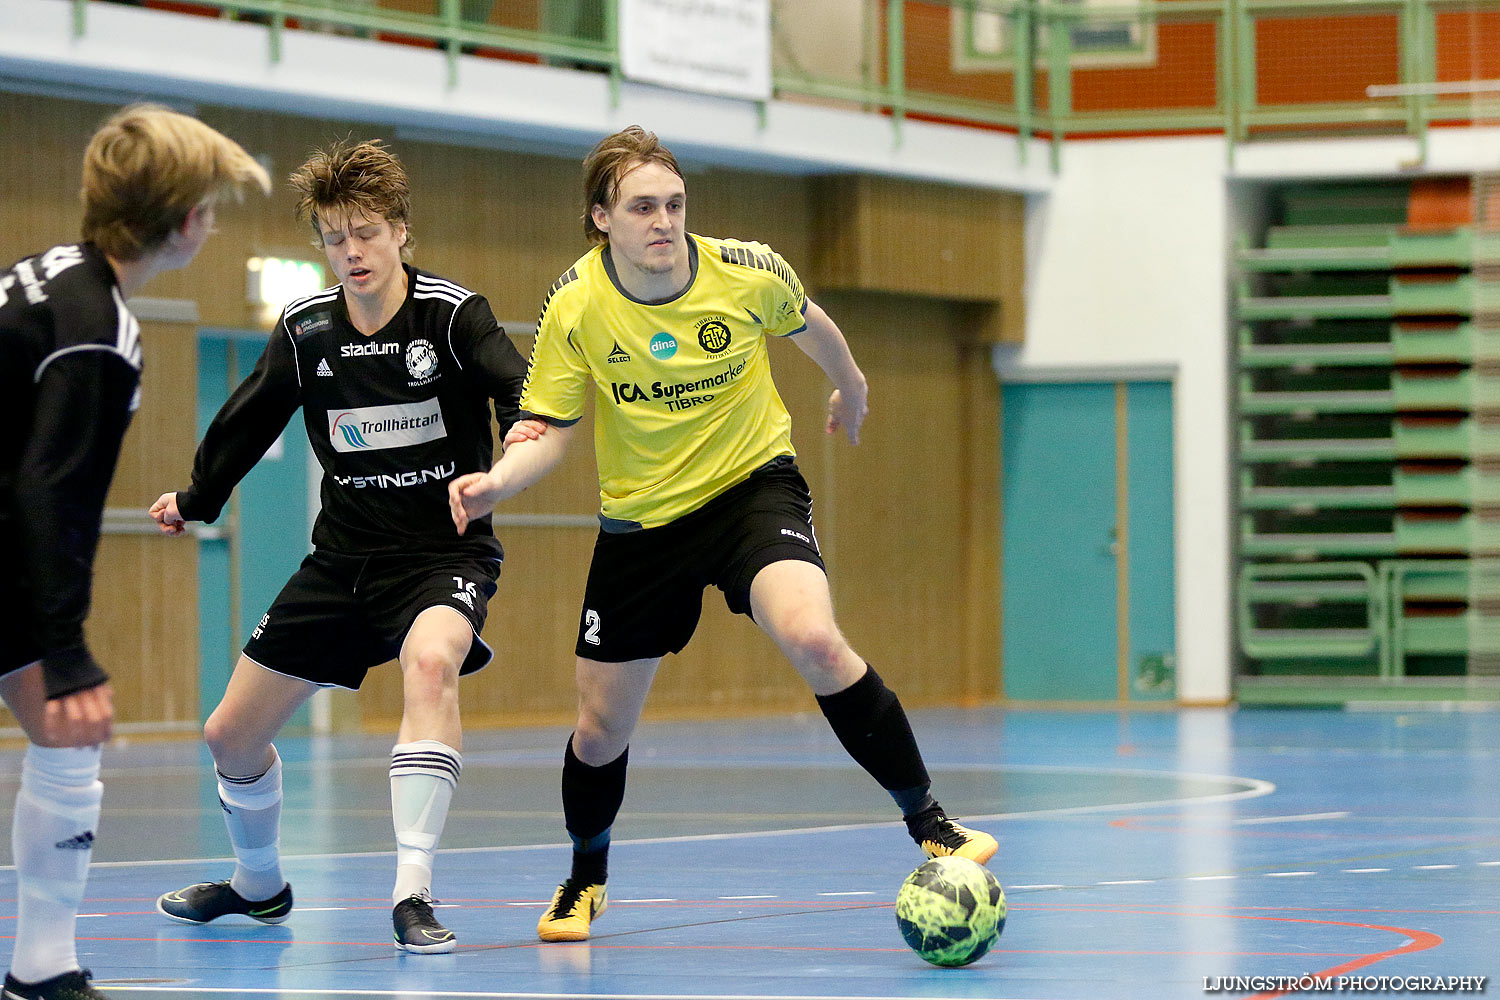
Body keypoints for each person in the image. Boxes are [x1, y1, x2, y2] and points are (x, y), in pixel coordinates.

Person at [449, 125, 998, 944]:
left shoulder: (744, 270)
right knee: (600, 728)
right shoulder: (575, 306)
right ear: (602, 217)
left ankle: (931, 821)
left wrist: (849, 385)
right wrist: (497, 481)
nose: (663, 221)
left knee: (814, 636)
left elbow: (810, 324)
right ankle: (585, 876)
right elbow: (551, 428)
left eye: (674, 204)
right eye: (642, 207)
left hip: (752, 488)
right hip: (642, 524)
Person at [148, 138, 533, 954]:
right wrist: (197, 500)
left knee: (431, 664)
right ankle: (259, 887)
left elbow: (519, 389)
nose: (350, 251)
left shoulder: (452, 316)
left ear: (399, 231)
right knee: (229, 736)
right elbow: (247, 421)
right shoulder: (306, 330)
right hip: (342, 563)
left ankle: (412, 894)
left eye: (364, 232)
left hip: (442, 558)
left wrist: (507, 464)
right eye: (332, 236)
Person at [1, 104, 269, 1000]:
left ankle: (43, 968)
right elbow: (52, 493)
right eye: (214, 207)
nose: (216, 222)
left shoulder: (47, 276)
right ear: (189, 222)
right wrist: (69, 650)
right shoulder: (97, 332)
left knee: (61, 739)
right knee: (68, 720)